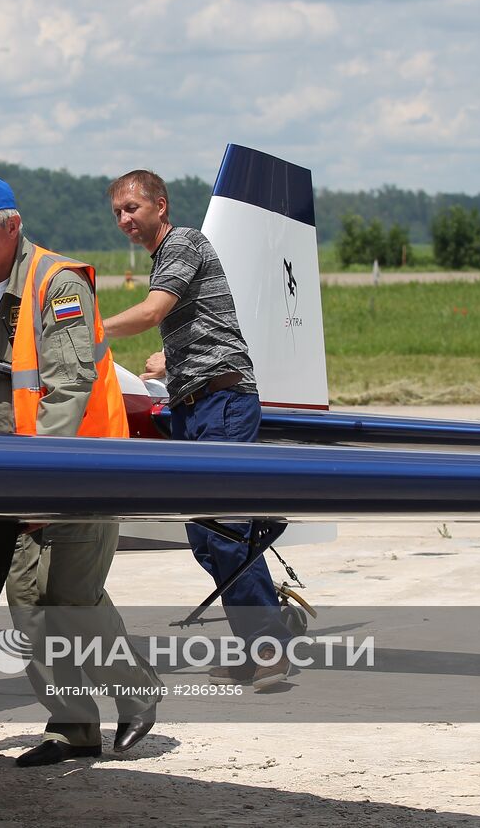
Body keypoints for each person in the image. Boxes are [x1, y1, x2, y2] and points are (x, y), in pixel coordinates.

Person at [0, 173, 162, 766]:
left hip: (79, 467)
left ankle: (137, 694)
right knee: (30, 606)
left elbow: (68, 387)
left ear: (12, 226)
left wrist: (42, 476)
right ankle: (72, 727)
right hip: (6, 476)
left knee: (72, 600)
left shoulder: (57, 284)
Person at [100, 168, 293, 692]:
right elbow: (195, 318)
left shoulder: (183, 242)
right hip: (196, 402)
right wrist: (173, 359)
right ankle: (257, 648)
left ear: (160, 206)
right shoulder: (168, 256)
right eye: (117, 212)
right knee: (208, 538)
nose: (124, 219)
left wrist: (90, 326)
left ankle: (270, 650)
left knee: (225, 530)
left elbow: (154, 309)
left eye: (132, 208)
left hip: (223, 403)